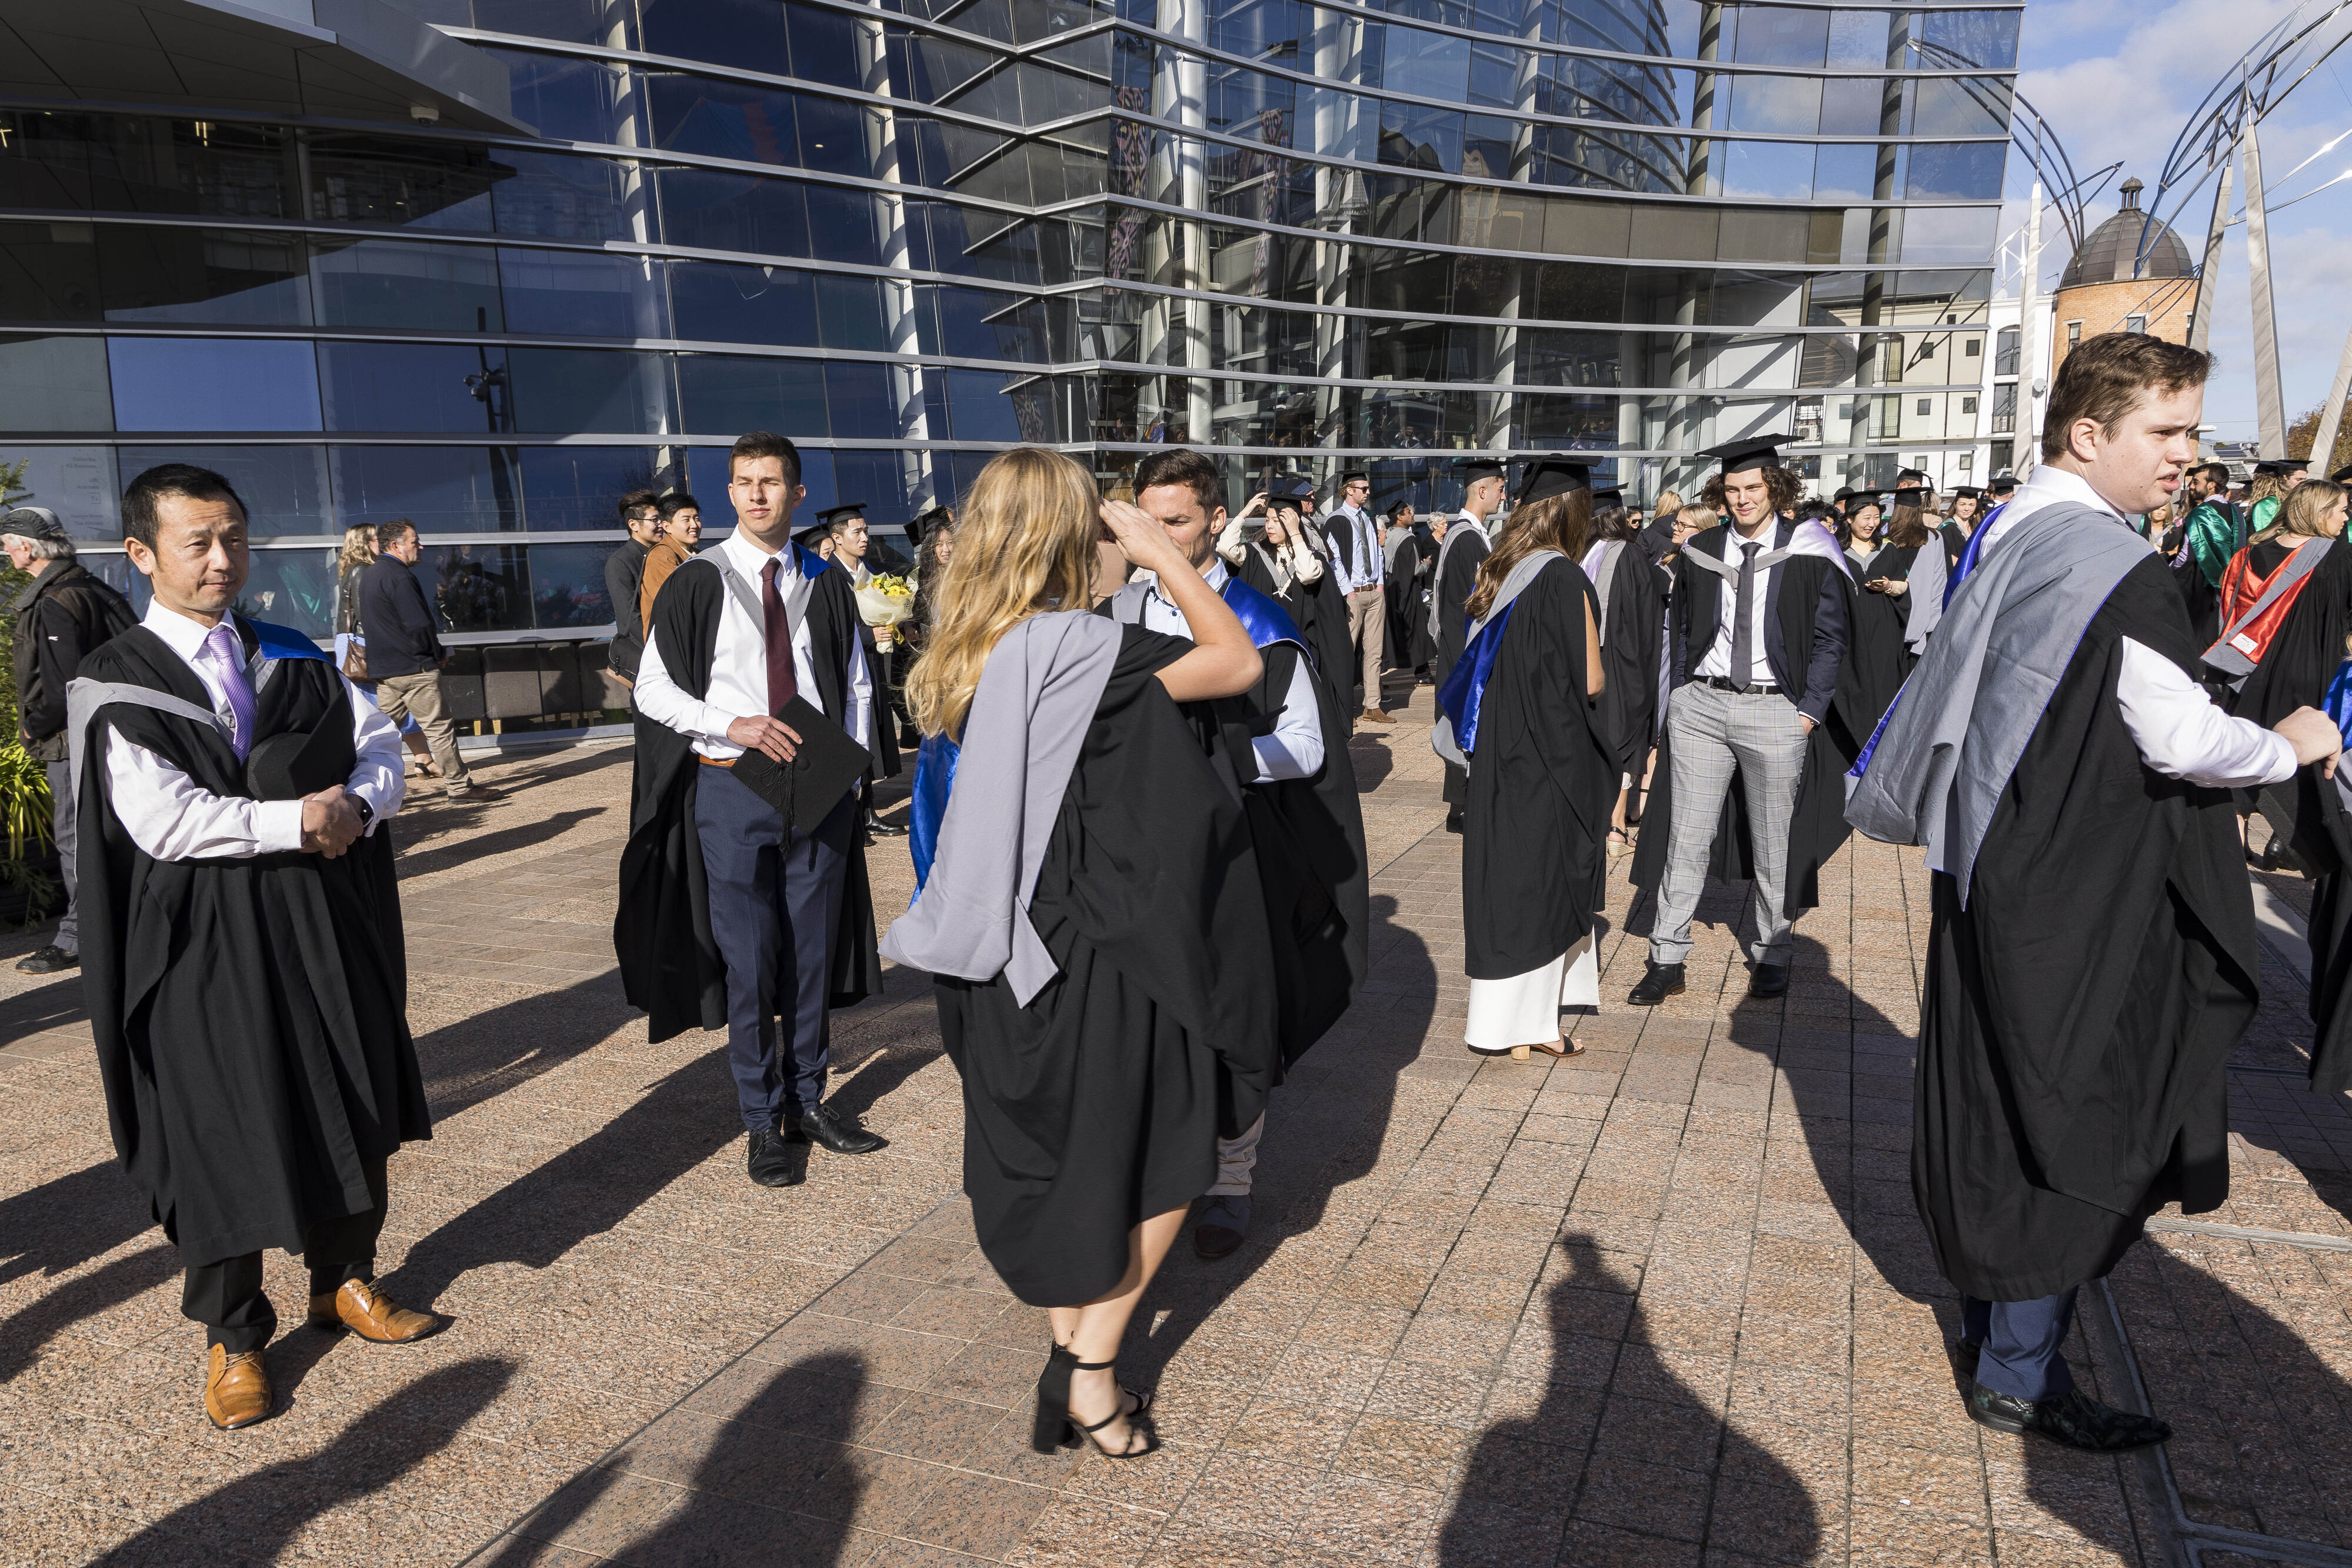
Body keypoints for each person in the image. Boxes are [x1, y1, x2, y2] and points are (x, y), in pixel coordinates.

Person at [1847, 332, 2343, 1452]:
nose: (2184, 457)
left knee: (1999, 1094)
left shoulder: (2010, 529)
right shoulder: (2108, 563)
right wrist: (2285, 743)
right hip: (2079, 891)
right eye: (2164, 432)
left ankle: (1994, 1336)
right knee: (2079, 1109)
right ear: (2088, 432)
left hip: (1991, 866)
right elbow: (2172, 738)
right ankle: (2017, 1373)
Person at [884, 447, 1277, 1460]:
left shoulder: (969, 642)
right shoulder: (1072, 649)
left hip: (995, 952)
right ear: (1071, 539)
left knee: (1068, 1161)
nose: (1114, 540)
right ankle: (1089, 1373)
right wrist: (1163, 557)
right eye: (1099, 527)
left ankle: (1074, 1343)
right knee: (1173, 1144)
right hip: (1091, 949)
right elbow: (1237, 663)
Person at [75, 463, 441, 1432]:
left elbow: (383, 747)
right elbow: (167, 822)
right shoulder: (116, 680)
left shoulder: (293, 651)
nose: (221, 558)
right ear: (142, 554)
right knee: (218, 1127)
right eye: (197, 541)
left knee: (349, 1094)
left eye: (232, 535)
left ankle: (345, 1281)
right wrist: (301, 817)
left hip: (318, 924)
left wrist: (360, 801)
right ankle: (235, 1337)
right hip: (201, 942)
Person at [1115, 449, 1366, 1259]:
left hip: (1238, 846)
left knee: (1235, 1011)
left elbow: (1303, 747)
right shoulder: (1114, 613)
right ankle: (1159, 1159)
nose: (1158, 537)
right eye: (1145, 521)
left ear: (1217, 521)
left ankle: (1229, 1175)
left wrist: (1204, 765)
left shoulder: (1261, 620)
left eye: (1176, 521)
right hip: (1138, 852)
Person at [618, 432, 885, 1188]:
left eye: (772, 482)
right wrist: (726, 723)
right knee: (750, 961)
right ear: (730, 493)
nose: (757, 494)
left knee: (811, 956)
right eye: (744, 482)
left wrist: (853, 772)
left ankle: (809, 1101)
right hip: (732, 784)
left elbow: (858, 684)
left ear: (797, 494)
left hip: (817, 784)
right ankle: (762, 1119)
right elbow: (652, 690)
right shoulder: (697, 582)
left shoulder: (826, 582)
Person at [1627, 436, 1865, 1004]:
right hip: (1702, 707)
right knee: (1686, 835)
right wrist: (1681, 693)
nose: (1741, 499)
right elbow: (1681, 626)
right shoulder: (1702, 547)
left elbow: (1831, 640)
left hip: (1774, 710)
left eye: (1752, 488)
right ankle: (1666, 956)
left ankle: (1771, 951)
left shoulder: (1810, 548)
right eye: (1731, 490)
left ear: (1774, 489)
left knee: (1773, 837)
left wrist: (1807, 709)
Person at [1445, 459, 1613, 1060]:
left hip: (1497, 750)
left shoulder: (1501, 569)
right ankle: (1537, 1027)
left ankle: (1504, 1025)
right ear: (1573, 512)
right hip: (1550, 752)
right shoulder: (1565, 577)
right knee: (1545, 881)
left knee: (1507, 881)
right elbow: (1592, 679)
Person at [2216, 479, 2352, 1091]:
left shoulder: (2247, 554)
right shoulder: (2337, 556)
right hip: (2308, 679)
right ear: (2321, 511)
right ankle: (2301, 840)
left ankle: (2230, 845)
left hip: (2249, 677)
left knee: (2245, 769)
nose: (2347, 517)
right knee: (2310, 768)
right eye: (2343, 508)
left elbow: (2227, 612)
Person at [5, 505, 135, 974]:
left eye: (7, 541)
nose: (3, 550)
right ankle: (124, 926)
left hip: (72, 741)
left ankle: (78, 938)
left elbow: (64, 688)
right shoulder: (92, 587)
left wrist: (31, 726)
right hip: (113, 733)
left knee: (74, 837)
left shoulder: (58, 600)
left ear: (26, 547)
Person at [359, 521, 494, 801]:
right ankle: (459, 788)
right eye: (415, 542)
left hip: (385, 673)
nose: (421, 547)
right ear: (395, 546)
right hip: (416, 669)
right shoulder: (400, 577)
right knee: (439, 730)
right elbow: (419, 624)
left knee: (377, 734)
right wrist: (437, 654)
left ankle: (352, 788)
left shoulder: (370, 576)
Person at [1581, 492, 1664, 860]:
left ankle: (1599, 823)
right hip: (1620, 667)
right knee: (1622, 739)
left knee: (1596, 741)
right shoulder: (1629, 554)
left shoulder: (1581, 554)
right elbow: (1645, 621)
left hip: (1586, 665)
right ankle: (1616, 828)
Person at [1224, 477, 1355, 706]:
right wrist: (1244, 514)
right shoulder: (1255, 555)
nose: (1270, 526)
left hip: (1298, 644)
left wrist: (1296, 533)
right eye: (1267, 520)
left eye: (1278, 521)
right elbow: (1224, 547)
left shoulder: (1312, 557)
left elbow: (1307, 575)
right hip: (1264, 644)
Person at [818, 502, 907, 839]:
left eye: (866, 531)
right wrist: (870, 634)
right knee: (852, 736)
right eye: (857, 532)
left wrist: (897, 626)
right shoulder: (826, 575)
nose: (865, 537)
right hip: (844, 671)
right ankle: (853, 816)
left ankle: (867, 811)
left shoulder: (868, 573)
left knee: (869, 738)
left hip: (870, 666)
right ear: (837, 538)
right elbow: (826, 627)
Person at [332, 523, 439, 783]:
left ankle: (423, 759)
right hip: (364, 646)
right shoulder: (363, 572)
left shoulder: (359, 570)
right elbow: (373, 616)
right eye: (375, 538)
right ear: (365, 543)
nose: (381, 541)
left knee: (394, 707)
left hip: (358, 644)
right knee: (386, 709)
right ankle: (362, 767)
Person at [1432, 458, 1504, 830]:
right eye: (1501, 488)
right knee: (1462, 724)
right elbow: (1467, 606)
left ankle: (1460, 806)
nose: (1503, 496)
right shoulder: (1467, 541)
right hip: (1462, 650)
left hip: (1457, 648)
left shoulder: (1469, 535)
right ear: (1483, 490)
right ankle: (1461, 809)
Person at [1850, 489, 1940, 696]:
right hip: (1918, 620)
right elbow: (1939, 583)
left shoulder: (1884, 539)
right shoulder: (1933, 537)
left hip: (1885, 621)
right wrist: (1933, 622)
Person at [1317, 469, 1390, 723]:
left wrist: (1380, 585)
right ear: (1349, 490)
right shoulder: (1335, 521)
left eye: (1368, 488)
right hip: (1352, 596)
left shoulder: (1369, 519)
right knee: (1346, 652)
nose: (1368, 492)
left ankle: (1372, 705)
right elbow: (1333, 560)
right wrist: (1348, 591)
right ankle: (1343, 707)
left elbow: (1378, 553)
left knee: (1374, 652)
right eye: (1363, 488)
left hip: (1374, 592)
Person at [2177, 460, 2244, 644]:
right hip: (2227, 582)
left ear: (2211, 485)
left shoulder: (2202, 513)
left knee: (2191, 635)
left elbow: (2185, 556)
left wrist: (2169, 570)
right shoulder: (2235, 511)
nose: (2192, 486)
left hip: (2197, 581)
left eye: (2196, 482)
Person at [602, 489, 662, 684]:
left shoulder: (663, 556)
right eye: (655, 520)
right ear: (634, 525)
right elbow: (630, 616)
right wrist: (661, 650)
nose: (661, 525)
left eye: (662, 519)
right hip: (649, 657)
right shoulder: (620, 562)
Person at [1384, 501, 1437, 681]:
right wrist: (1427, 564)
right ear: (1400, 517)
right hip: (1410, 592)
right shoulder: (1408, 539)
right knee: (1419, 631)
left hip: (1391, 591)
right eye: (1408, 512)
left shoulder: (1387, 536)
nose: (1412, 515)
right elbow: (1415, 570)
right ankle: (1423, 673)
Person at [638, 491, 704, 629]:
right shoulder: (661, 555)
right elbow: (678, 601)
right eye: (686, 520)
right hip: (672, 640)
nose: (694, 525)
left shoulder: (699, 554)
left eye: (696, 518)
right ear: (667, 527)